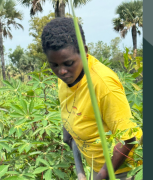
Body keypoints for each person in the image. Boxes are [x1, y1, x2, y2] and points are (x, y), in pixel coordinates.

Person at [41, 17, 142, 180]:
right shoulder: (66, 79)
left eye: (68, 63)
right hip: (97, 168)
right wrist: (68, 131)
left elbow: (128, 140)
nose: (61, 72)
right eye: (54, 65)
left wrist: (99, 177)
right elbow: (70, 106)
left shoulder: (103, 84)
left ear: (84, 51)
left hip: (123, 171)